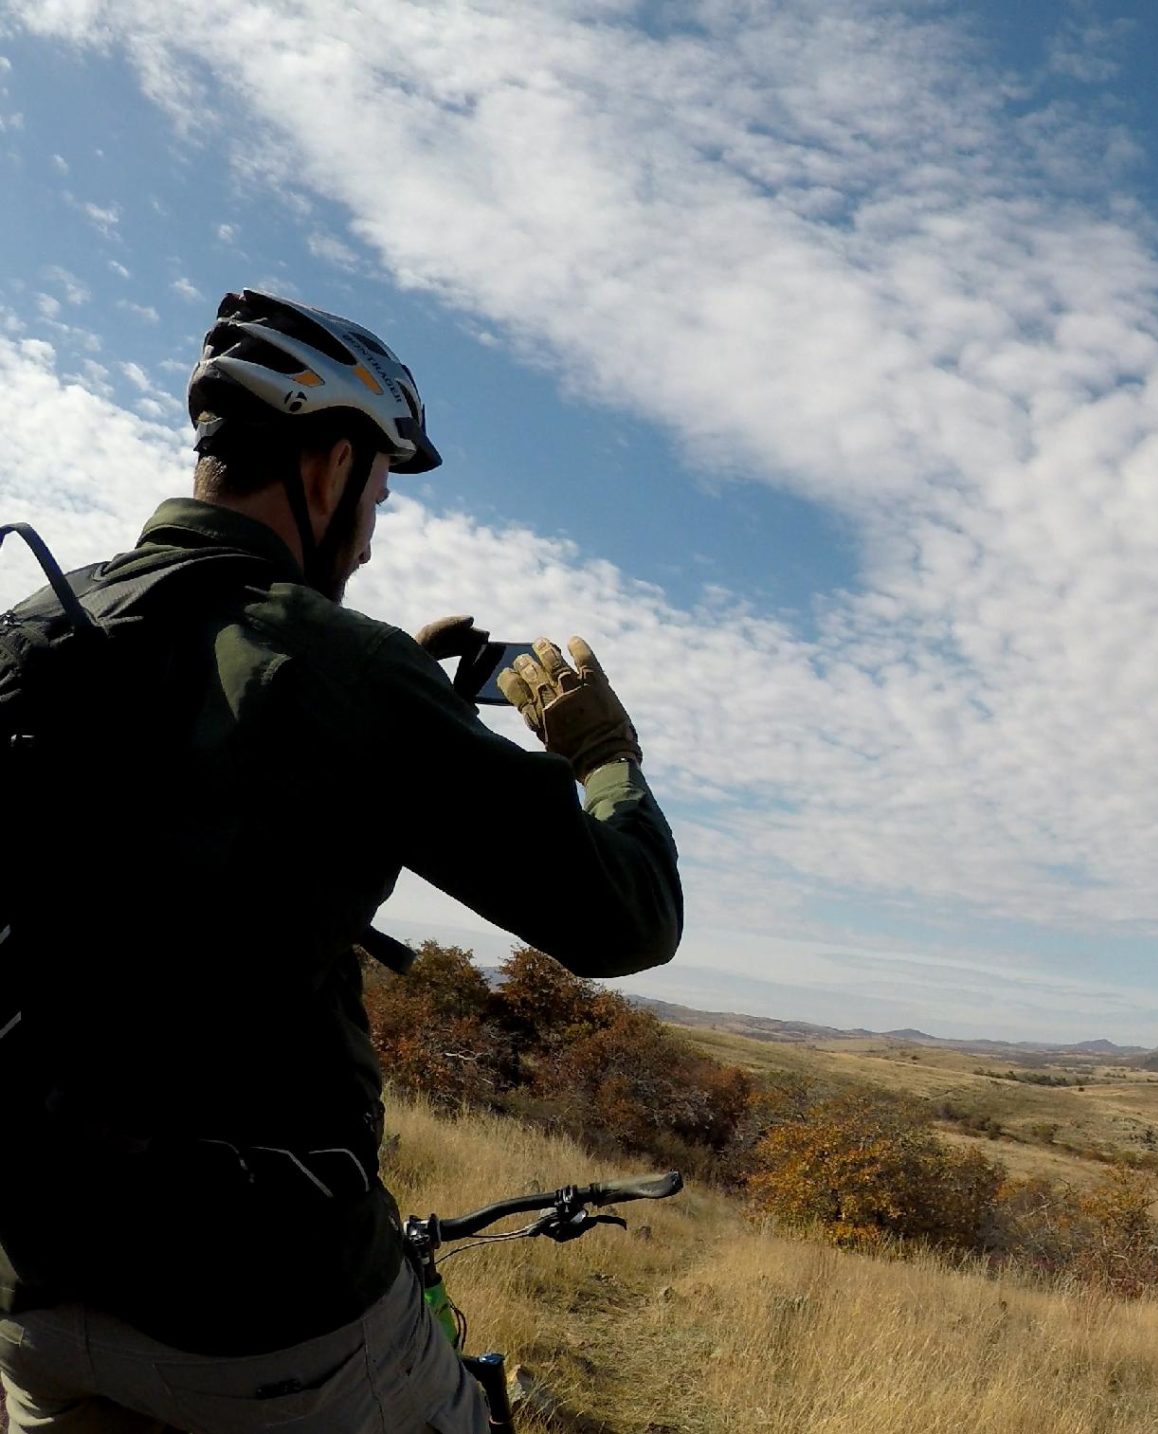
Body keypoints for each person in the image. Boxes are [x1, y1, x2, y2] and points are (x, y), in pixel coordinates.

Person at [0, 289, 683, 1431]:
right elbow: (631, 920)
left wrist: (372, 703)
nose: (369, 529)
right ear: (324, 469)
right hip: (272, 1315)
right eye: (373, 491)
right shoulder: (337, 669)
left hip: (36, 1284)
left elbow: (163, 845)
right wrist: (603, 753)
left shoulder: (43, 629)